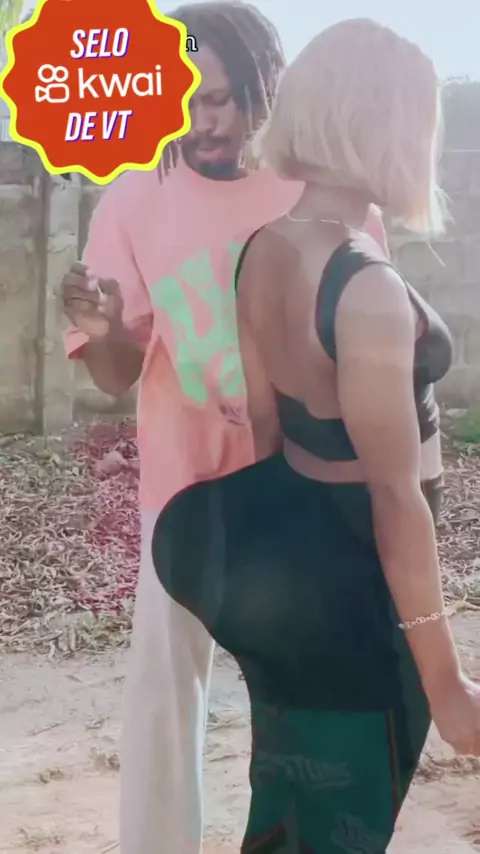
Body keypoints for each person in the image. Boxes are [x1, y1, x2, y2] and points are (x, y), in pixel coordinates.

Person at [61, 4, 388, 852]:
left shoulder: (322, 190)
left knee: (303, 707)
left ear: (264, 91)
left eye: (222, 99)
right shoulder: (134, 199)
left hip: (306, 486)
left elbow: (370, 339)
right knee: (164, 701)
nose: (204, 122)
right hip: (188, 493)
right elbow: (116, 373)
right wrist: (106, 332)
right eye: (185, 100)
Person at [151, 17, 480, 853]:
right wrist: (446, 682)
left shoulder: (264, 249)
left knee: (287, 809)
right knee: (344, 820)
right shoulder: (365, 286)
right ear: (382, 126)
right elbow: (396, 498)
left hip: (298, 569)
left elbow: (268, 431)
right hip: (364, 593)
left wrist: (288, 591)